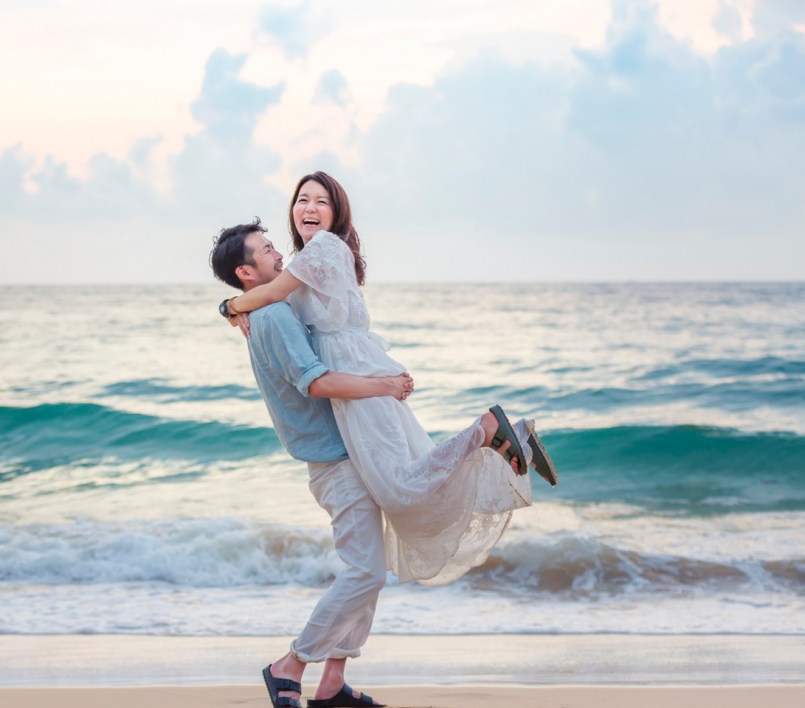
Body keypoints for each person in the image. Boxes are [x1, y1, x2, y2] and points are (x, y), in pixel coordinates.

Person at [221, 172, 558, 588]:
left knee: (398, 487)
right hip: (353, 373)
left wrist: (230, 305)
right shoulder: (307, 259)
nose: (309, 208)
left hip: (354, 374)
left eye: (321, 202)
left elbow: (269, 295)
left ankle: (487, 429)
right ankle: (512, 436)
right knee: (406, 476)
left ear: (337, 212)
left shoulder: (323, 248)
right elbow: (272, 293)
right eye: (302, 199)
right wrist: (238, 309)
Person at [210, 219, 412, 708]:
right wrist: (386, 386)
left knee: (371, 571)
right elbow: (316, 383)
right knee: (365, 572)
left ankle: (333, 682)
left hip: (342, 452)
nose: (280, 254)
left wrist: (229, 305)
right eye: (267, 250)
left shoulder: (266, 308)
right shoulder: (274, 316)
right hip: (333, 460)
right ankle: (291, 665)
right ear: (246, 270)